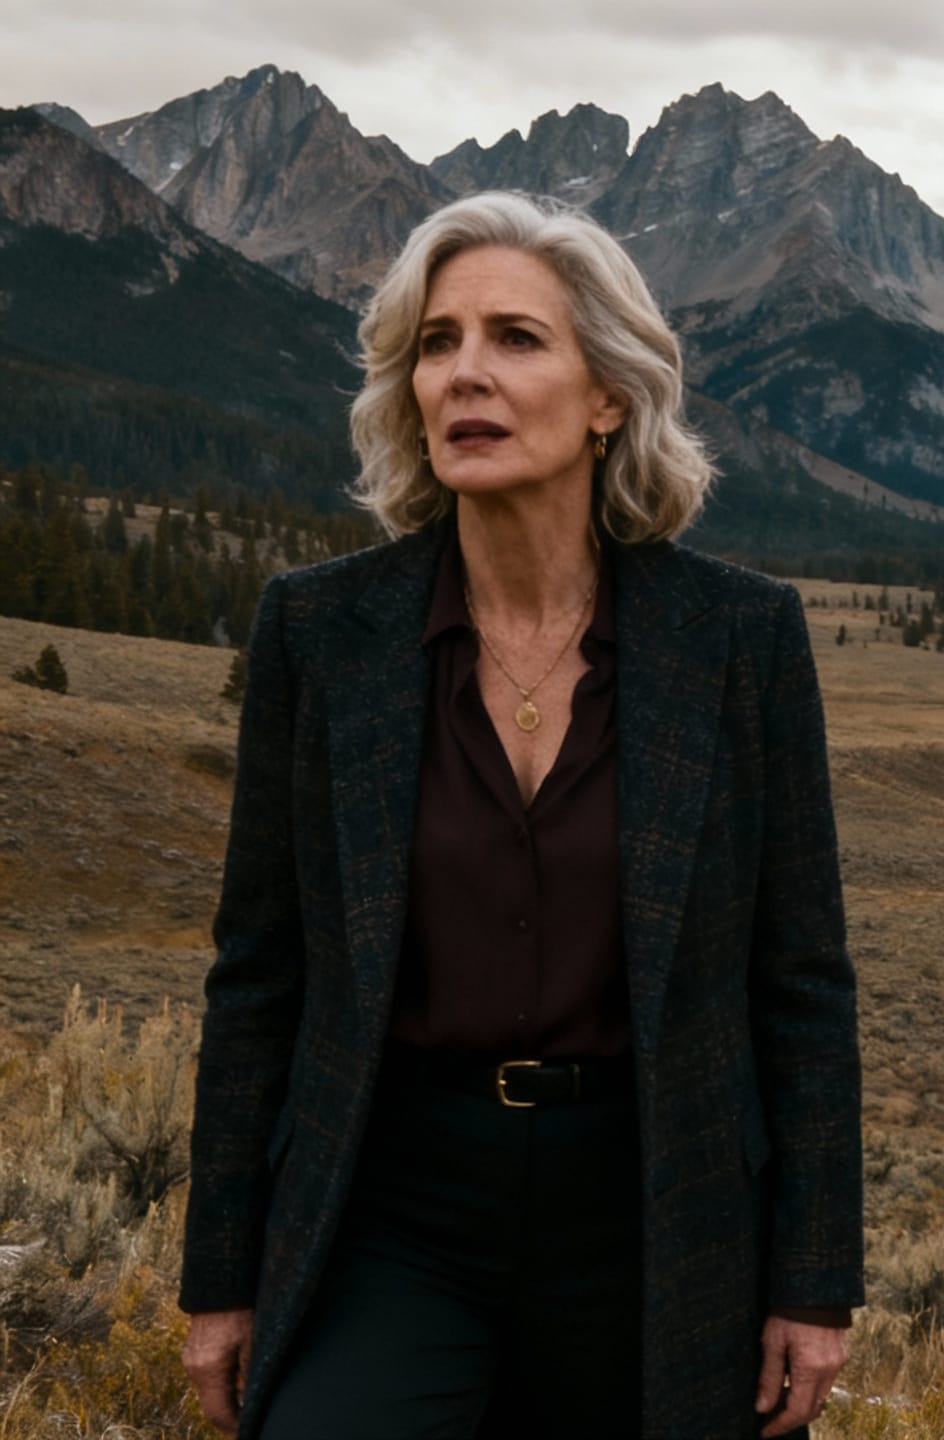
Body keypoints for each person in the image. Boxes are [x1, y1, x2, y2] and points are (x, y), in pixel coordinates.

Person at [175, 191, 863, 1439]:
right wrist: (218, 1277)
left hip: (659, 1212)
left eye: (515, 339)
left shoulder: (738, 639)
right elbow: (259, 975)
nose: (464, 375)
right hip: (393, 1210)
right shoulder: (323, 633)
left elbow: (802, 982)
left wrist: (814, 1285)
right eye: (437, 343)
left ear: (610, 395)